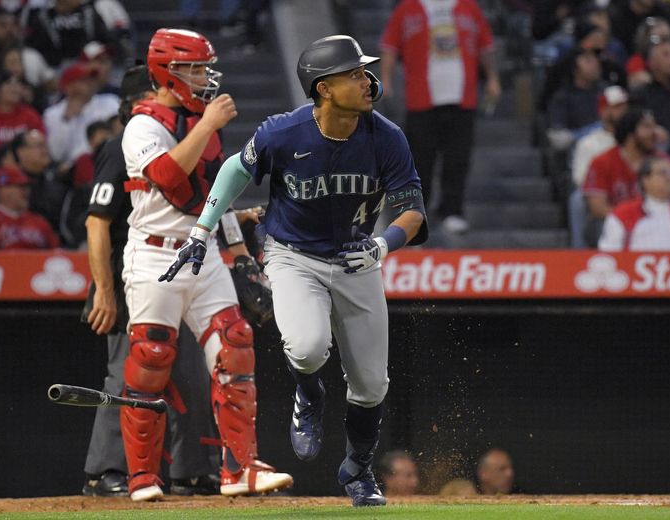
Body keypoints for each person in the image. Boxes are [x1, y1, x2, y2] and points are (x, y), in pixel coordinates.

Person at [159, 35, 428, 507]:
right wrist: (201, 231)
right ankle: (310, 393)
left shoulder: (387, 136)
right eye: (353, 74)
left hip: (355, 256)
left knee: (370, 384)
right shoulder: (282, 132)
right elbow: (232, 173)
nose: (367, 81)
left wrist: (383, 245)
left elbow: (413, 211)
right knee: (305, 350)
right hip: (293, 255)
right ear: (324, 88)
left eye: (364, 72)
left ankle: (359, 471)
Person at [117, 28, 293, 501]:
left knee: (235, 346)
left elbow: (214, 195)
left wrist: (236, 253)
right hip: (155, 253)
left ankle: (240, 468)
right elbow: (170, 180)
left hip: (203, 249)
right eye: (193, 68)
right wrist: (207, 124)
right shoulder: (142, 125)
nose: (203, 77)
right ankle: (141, 478)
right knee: (151, 358)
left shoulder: (203, 122)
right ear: (165, 73)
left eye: (203, 67)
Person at [82, 65, 223, 498]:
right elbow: (97, 223)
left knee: (186, 376)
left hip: (173, 270)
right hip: (133, 272)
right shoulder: (121, 144)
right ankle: (106, 470)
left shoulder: (183, 144)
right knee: (130, 374)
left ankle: (188, 470)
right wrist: (104, 290)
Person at [379, 0, 500, 234]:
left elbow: (485, 45)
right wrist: (386, 77)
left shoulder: (468, 8)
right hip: (421, 99)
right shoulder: (408, 9)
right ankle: (415, 213)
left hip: (462, 98)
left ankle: (452, 210)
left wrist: (493, 77)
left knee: (458, 158)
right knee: (420, 160)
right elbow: (390, 45)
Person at [583, 107, 659, 245]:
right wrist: (632, 219)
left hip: (658, 222)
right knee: (601, 226)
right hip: (617, 222)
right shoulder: (602, 162)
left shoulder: (662, 163)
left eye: (654, 127)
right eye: (647, 127)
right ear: (630, 133)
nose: (654, 133)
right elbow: (598, 207)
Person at [569, 85, 629, 247]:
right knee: (577, 200)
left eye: (625, 106)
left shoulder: (636, 138)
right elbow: (580, 178)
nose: (624, 111)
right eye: (617, 107)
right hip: (603, 193)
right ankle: (580, 253)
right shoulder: (589, 142)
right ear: (603, 111)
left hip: (630, 189)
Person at [0, 10, 56, 98]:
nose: (9, 29)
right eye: (3, 25)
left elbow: (51, 84)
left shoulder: (33, 55)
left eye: (14, 25)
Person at [44, 63, 120, 166]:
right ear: (69, 86)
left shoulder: (110, 101)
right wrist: (67, 119)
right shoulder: (52, 114)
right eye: (84, 80)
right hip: (73, 170)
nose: (91, 83)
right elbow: (56, 154)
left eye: (92, 78)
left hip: (108, 160)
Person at [0, 165, 60, 251]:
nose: (26, 192)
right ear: (2, 190)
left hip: (36, 266)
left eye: (27, 187)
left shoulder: (39, 221)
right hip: (5, 265)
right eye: (20, 187)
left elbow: (56, 253)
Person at [598, 155, 670, 250]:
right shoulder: (623, 214)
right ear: (645, 180)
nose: (669, 178)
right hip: (632, 263)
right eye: (663, 173)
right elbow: (609, 252)